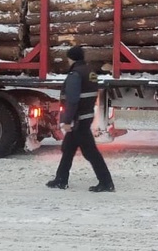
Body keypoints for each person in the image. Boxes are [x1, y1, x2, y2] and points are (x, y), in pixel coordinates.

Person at [46, 45, 115, 192]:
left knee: (90, 152)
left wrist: (67, 120)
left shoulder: (75, 75)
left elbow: (72, 99)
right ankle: (61, 179)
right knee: (68, 148)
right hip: (86, 115)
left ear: (71, 58)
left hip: (78, 119)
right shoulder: (90, 72)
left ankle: (106, 182)